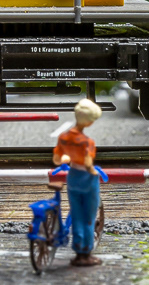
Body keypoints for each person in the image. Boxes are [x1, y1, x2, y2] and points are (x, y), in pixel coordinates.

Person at [52, 98, 103, 267]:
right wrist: (95, 172)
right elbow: (88, 164)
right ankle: (85, 253)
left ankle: (77, 250)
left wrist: (67, 158)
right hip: (87, 179)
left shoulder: (64, 137)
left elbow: (57, 159)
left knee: (77, 215)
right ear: (88, 121)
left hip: (72, 177)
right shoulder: (87, 142)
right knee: (88, 218)